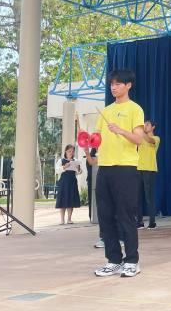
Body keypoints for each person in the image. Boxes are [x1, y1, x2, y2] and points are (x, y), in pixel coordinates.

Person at [93, 69, 146, 278]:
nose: (113, 87)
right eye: (112, 84)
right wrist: (90, 140)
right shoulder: (105, 110)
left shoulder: (135, 109)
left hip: (126, 167)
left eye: (118, 83)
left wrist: (121, 130)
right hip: (105, 167)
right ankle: (113, 259)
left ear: (128, 85)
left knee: (126, 215)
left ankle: (132, 260)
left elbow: (139, 139)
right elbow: (97, 140)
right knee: (105, 217)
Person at [137, 120, 160, 230]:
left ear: (153, 127)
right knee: (138, 197)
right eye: (144, 124)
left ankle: (152, 222)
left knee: (149, 198)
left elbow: (149, 140)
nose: (145, 126)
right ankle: (139, 222)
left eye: (147, 125)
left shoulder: (156, 139)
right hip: (138, 169)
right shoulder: (140, 138)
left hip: (149, 170)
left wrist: (141, 131)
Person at [55, 144, 82, 225]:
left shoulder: (75, 160)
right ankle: (62, 220)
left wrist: (78, 169)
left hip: (72, 182)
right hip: (63, 182)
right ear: (66, 151)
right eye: (69, 151)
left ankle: (69, 219)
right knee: (63, 200)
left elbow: (79, 172)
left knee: (71, 200)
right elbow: (57, 171)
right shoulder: (61, 161)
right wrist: (64, 167)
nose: (71, 153)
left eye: (72, 151)